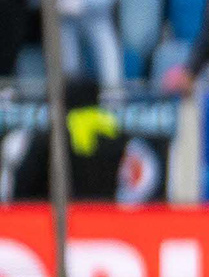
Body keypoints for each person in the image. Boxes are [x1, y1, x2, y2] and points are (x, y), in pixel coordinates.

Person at [3, 75, 161, 205]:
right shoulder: (113, 132)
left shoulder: (54, 135)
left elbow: (24, 183)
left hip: (57, 215)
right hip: (102, 213)